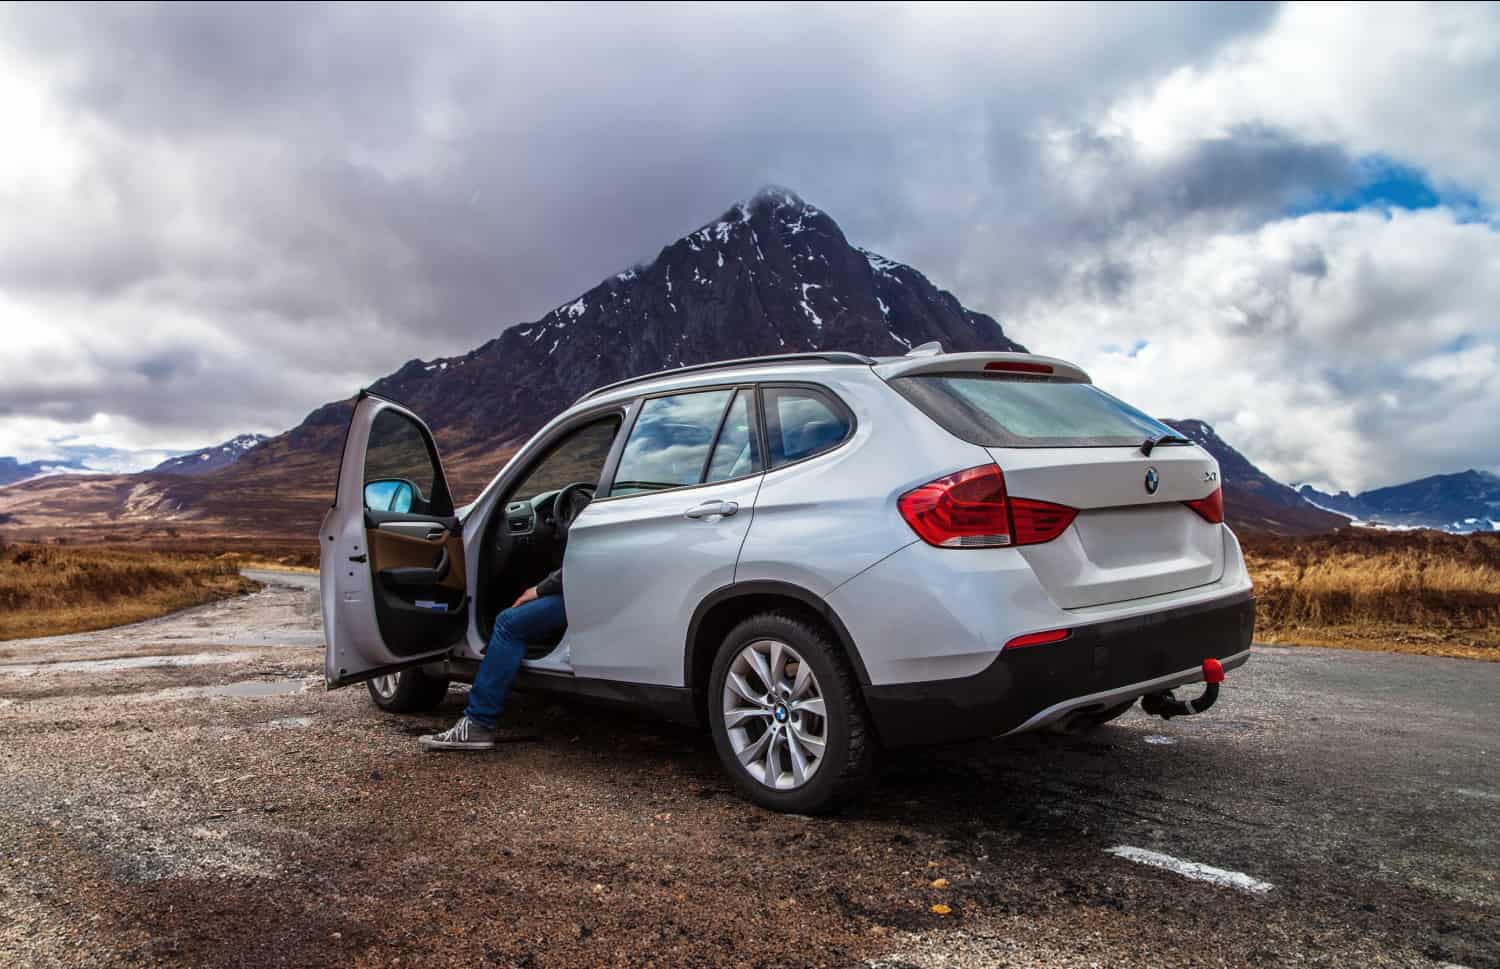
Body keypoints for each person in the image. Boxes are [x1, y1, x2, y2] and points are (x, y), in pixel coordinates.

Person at [418, 566, 566, 752]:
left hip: (582, 593)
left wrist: (539, 589)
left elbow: (577, 563)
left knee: (508, 623)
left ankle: (478, 723)